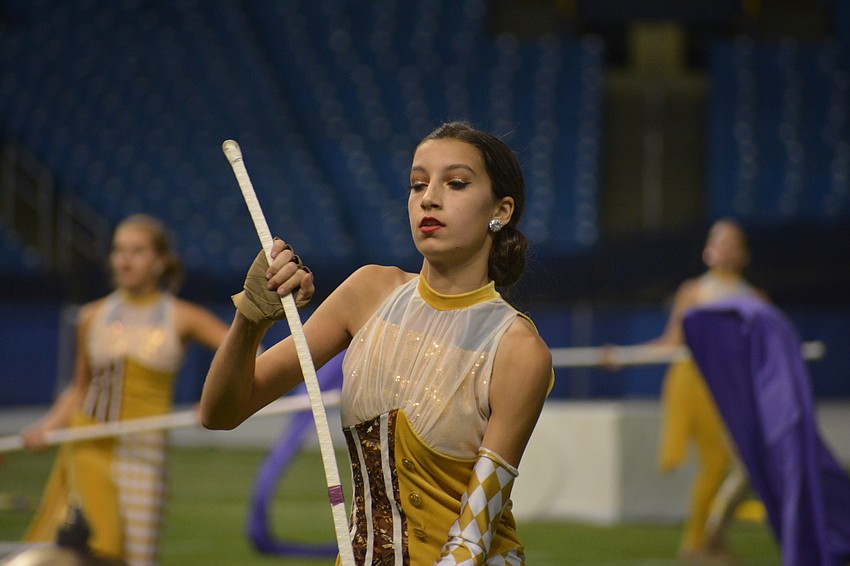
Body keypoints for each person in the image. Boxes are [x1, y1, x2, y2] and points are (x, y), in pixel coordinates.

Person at [200, 121, 553, 565]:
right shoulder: (367, 293)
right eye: (418, 184)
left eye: (456, 183)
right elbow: (220, 413)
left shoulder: (518, 348)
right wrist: (251, 320)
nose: (429, 198)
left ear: (500, 210)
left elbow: (473, 537)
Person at [20, 214, 230, 566]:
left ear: (160, 261)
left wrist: (215, 401)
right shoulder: (90, 316)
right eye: (119, 250)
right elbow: (79, 389)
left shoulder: (183, 316)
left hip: (145, 454)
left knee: (137, 557)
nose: (125, 259)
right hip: (88, 444)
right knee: (87, 552)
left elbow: (245, 351)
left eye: (137, 250)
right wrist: (46, 428)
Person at [606, 218, 764, 562]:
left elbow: (760, 353)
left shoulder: (756, 299)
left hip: (733, 388)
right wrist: (625, 356)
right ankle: (697, 543)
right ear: (708, 250)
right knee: (716, 461)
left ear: (744, 254)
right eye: (718, 241)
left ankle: (711, 537)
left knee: (745, 467)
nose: (725, 249)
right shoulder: (693, 292)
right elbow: (672, 341)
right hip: (696, 383)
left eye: (732, 243)